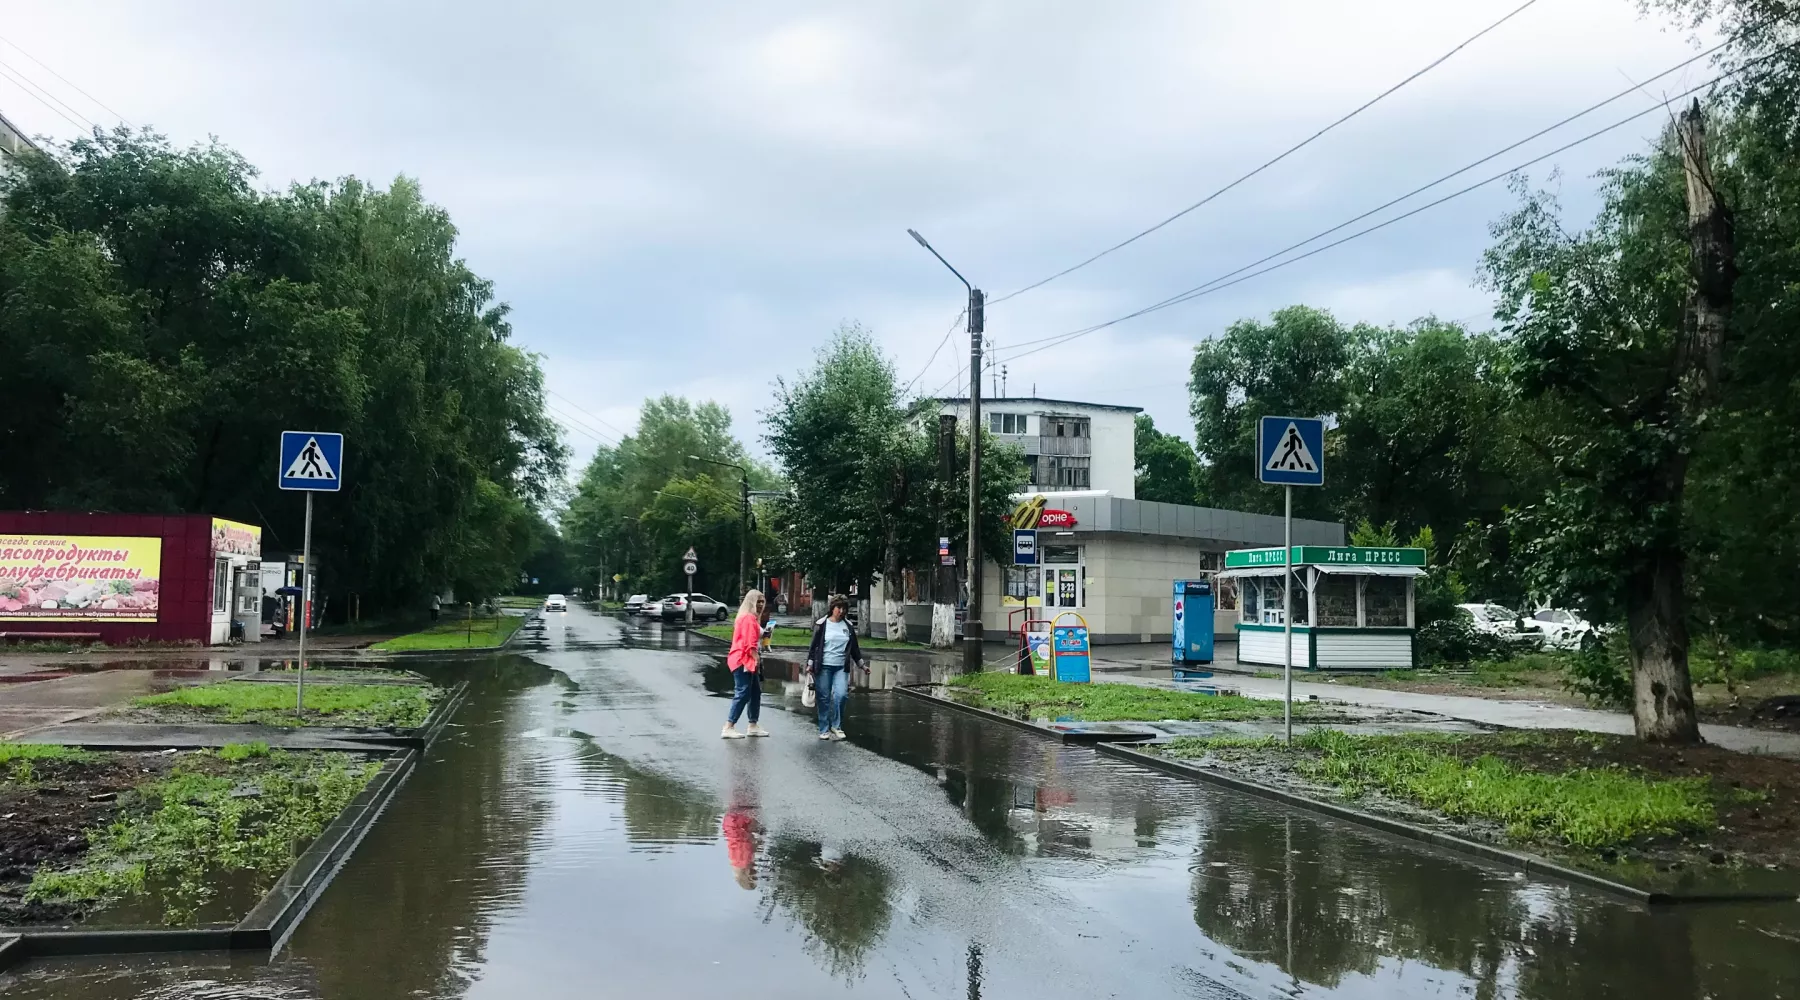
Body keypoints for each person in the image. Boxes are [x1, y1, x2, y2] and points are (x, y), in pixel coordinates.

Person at [805, 595, 864, 741]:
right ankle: (824, 728)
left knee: (841, 695)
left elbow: (854, 648)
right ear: (832, 608)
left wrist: (862, 665)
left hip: (840, 667)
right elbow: (814, 647)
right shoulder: (822, 624)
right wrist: (810, 664)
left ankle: (836, 726)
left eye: (844, 608)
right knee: (824, 697)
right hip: (823, 666)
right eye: (839, 608)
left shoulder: (848, 626)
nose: (842, 611)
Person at [722, 589, 770, 739]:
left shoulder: (750, 618)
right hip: (743, 660)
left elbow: (755, 638)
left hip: (746, 660)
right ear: (751, 602)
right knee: (743, 692)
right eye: (758, 601)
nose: (761, 604)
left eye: (763, 601)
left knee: (755, 692)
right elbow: (749, 643)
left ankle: (753, 725)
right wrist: (756, 657)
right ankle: (729, 726)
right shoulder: (748, 618)